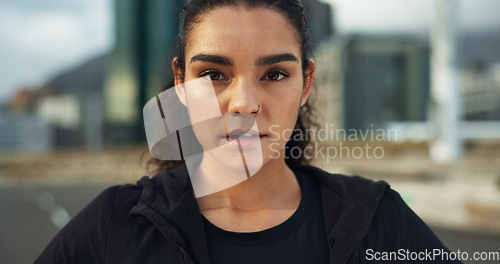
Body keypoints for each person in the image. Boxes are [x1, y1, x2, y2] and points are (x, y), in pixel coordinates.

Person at [35, 0, 462, 263]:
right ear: (181, 85)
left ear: (306, 84)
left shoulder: (378, 219)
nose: (244, 103)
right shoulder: (115, 224)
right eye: (214, 74)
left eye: (274, 74)